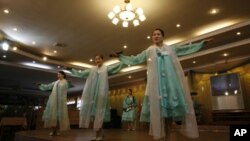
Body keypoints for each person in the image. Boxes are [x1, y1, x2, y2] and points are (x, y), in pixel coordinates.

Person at [111, 28, 211, 140]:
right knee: (159, 115)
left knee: (169, 116)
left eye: (158, 34)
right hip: (156, 86)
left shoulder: (171, 48)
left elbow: (185, 49)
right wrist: (120, 57)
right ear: (152, 38)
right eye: (154, 35)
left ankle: (167, 138)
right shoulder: (149, 50)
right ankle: (162, 138)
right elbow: (135, 59)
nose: (156, 36)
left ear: (163, 36)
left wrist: (201, 44)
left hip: (170, 85)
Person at [69, 54, 124, 141]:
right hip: (93, 95)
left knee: (100, 115)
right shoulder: (92, 70)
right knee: (94, 116)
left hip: (102, 94)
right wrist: (72, 70)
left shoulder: (106, 68)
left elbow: (115, 67)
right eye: (96, 59)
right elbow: (82, 74)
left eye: (99, 58)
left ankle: (99, 135)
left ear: (102, 60)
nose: (97, 60)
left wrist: (122, 59)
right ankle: (97, 135)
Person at [38, 71, 71, 136]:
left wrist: (69, 83)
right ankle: (53, 130)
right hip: (53, 100)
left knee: (59, 117)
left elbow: (67, 87)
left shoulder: (65, 82)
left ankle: (57, 130)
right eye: (57, 74)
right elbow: (48, 86)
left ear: (63, 75)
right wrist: (40, 85)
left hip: (60, 101)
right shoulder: (55, 82)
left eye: (59, 74)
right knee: (52, 116)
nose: (58, 75)